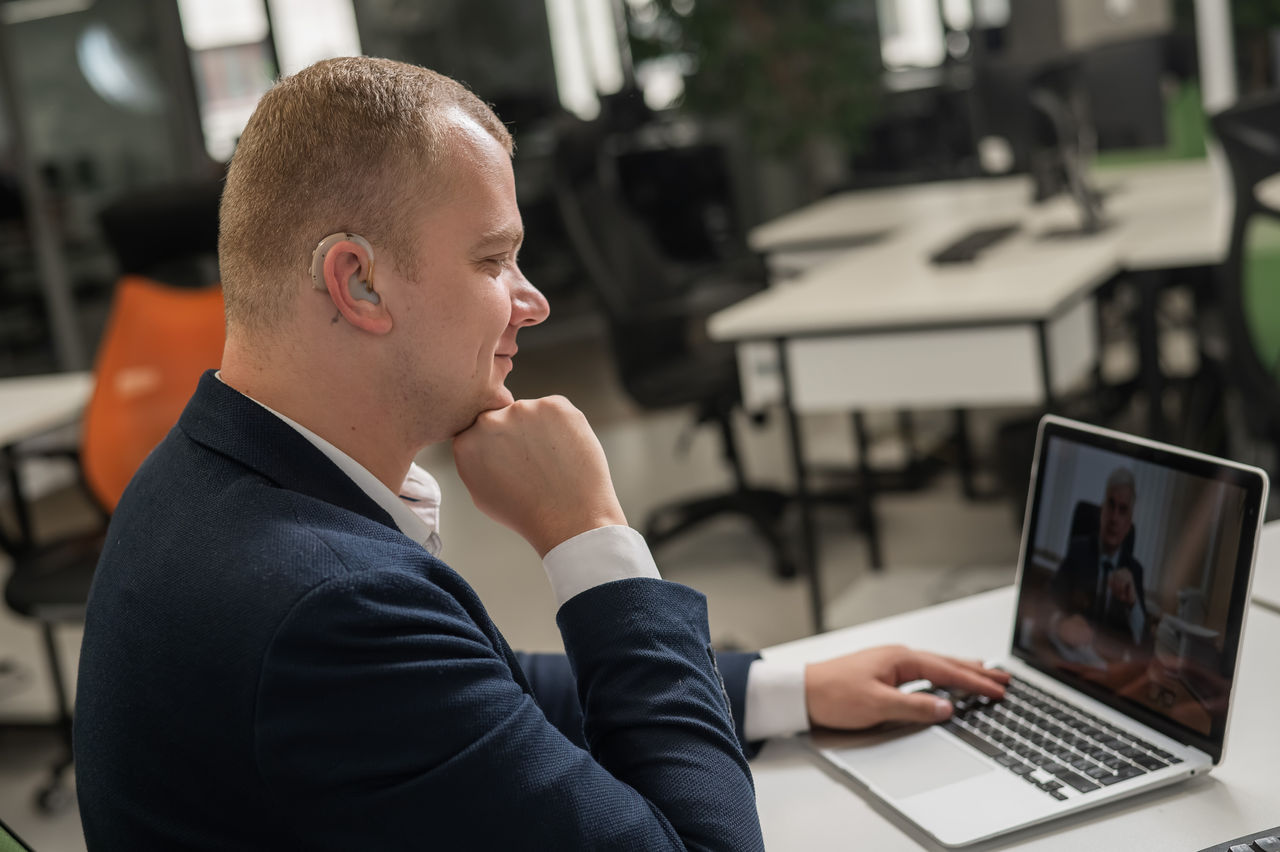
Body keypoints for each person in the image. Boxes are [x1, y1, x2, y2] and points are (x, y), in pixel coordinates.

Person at [73, 57, 1007, 850]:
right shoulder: (327, 606)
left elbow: (483, 695)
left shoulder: (201, 478)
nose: (533, 302)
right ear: (356, 281)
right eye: (492, 261)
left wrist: (781, 688)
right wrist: (590, 538)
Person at [1051, 467, 1149, 650]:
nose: (1114, 518)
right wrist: (1060, 623)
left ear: (1129, 524)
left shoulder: (1135, 571)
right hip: (1071, 657)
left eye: (1123, 510)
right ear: (1101, 510)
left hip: (1108, 669)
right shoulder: (1078, 550)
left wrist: (1133, 604)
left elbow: (1145, 646)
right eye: (1111, 505)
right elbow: (1049, 602)